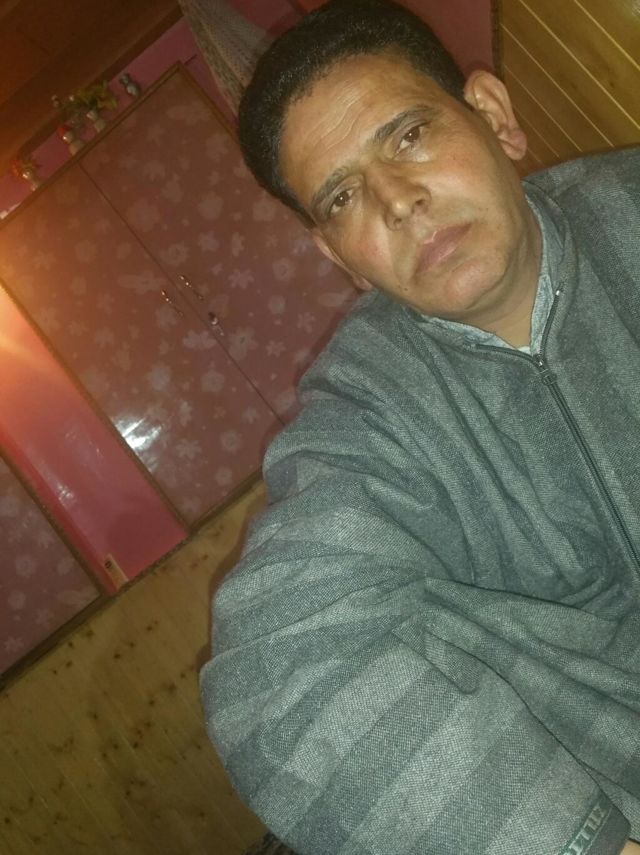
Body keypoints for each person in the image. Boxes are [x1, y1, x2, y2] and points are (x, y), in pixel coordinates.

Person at [199, 1, 640, 853]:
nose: (398, 202)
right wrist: (574, 841)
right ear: (339, 258)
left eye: (408, 136)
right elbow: (274, 672)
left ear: (494, 117)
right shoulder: (366, 408)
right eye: (342, 195)